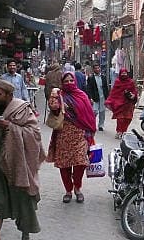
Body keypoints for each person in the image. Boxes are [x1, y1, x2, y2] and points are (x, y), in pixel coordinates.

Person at [0, 80, 46, 240]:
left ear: (9, 95)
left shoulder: (22, 109)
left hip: (17, 164)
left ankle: (25, 233)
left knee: (23, 199)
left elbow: (34, 134)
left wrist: (10, 127)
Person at [46, 73, 96, 203]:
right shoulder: (59, 95)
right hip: (63, 134)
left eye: (71, 80)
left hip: (80, 134)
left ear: (75, 81)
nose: (69, 83)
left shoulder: (82, 95)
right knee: (64, 165)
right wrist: (54, 96)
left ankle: (77, 187)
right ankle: (68, 190)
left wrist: (90, 133)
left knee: (80, 163)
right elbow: (53, 108)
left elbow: (89, 115)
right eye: (66, 81)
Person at [105, 68, 138, 139]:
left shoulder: (131, 82)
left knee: (128, 118)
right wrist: (110, 101)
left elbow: (134, 91)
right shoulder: (117, 82)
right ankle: (119, 131)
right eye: (122, 73)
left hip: (128, 104)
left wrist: (133, 95)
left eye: (125, 73)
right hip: (119, 104)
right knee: (120, 119)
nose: (124, 75)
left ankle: (124, 131)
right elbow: (113, 92)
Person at [87, 63, 109, 131]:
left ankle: (101, 125)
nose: (97, 69)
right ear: (93, 69)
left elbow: (106, 88)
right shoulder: (91, 78)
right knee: (94, 111)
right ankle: (92, 124)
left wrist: (107, 98)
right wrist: (90, 97)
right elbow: (89, 88)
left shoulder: (103, 77)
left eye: (98, 68)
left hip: (102, 97)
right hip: (94, 97)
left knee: (102, 112)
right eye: (95, 68)